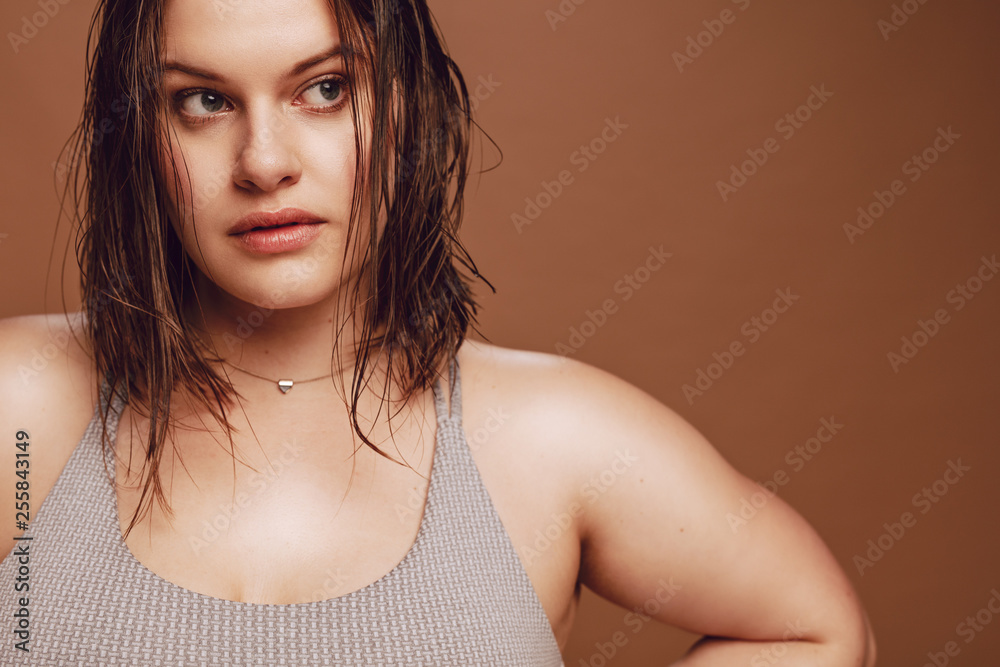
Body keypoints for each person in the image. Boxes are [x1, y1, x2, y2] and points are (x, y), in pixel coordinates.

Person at [0, 0, 876, 664]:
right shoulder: (21, 405)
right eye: (200, 101)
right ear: (136, 137)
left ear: (407, 106)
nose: (265, 160)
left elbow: (816, 631)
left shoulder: (548, 438)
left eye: (327, 89)